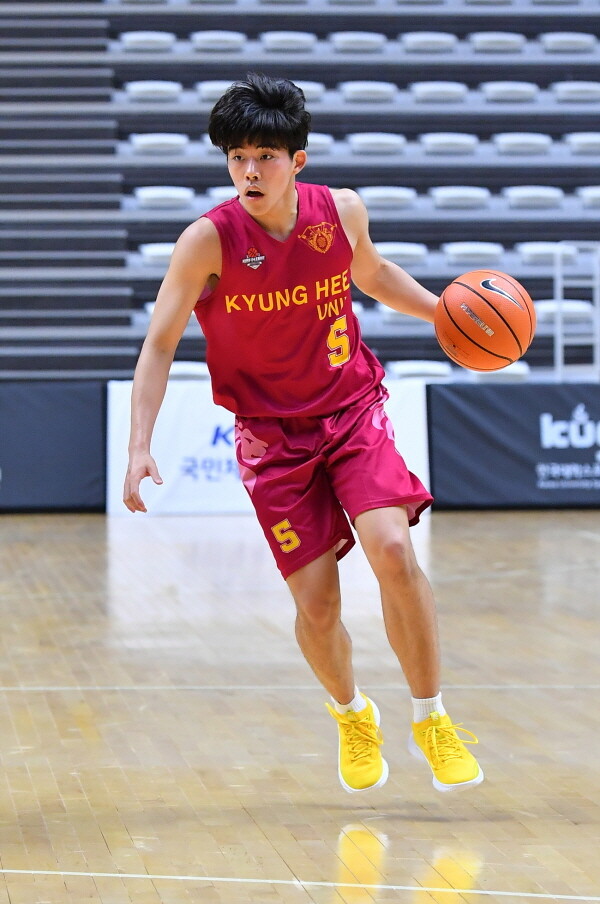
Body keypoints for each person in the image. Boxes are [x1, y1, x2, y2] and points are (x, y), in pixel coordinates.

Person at [123, 72, 483, 795]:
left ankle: (432, 717)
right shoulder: (207, 242)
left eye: (265, 156)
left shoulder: (340, 212)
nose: (250, 172)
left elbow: (373, 274)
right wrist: (139, 446)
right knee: (318, 606)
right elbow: (159, 343)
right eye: (237, 158)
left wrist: (445, 312)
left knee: (392, 550)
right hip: (271, 439)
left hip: (351, 411)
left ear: (298, 161)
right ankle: (352, 714)